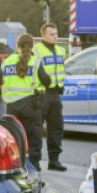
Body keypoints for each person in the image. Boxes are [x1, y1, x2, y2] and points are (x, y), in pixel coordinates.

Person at [0, 33, 50, 171]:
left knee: (14, 137)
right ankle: (34, 168)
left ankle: (16, 167)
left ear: (17, 45)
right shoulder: (35, 62)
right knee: (34, 138)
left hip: (12, 107)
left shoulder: (7, 62)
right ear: (32, 46)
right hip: (31, 106)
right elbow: (47, 81)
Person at [34, 22, 68, 171]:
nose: (55, 37)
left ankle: (54, 160)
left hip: (56, 94)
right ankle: (34, 162)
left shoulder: (61, 50)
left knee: (56, 128)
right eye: (51, 34)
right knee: (37, 129)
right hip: (42, 95)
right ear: (43, 35)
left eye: (56, 34)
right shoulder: (36, 50)